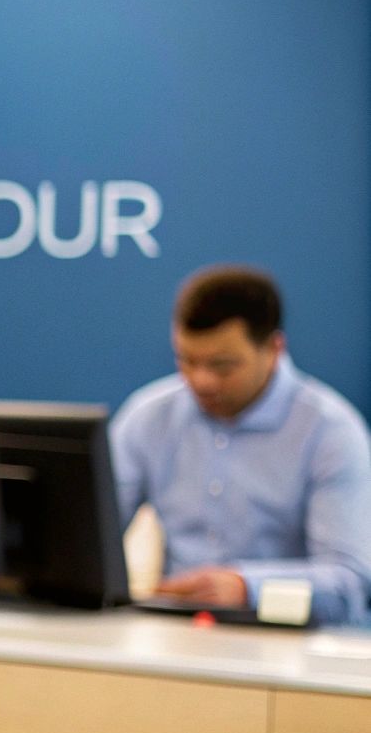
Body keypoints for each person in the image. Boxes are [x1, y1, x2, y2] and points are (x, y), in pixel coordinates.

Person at [112, 265, 371, 626]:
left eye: (222, 366)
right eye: (186, 360)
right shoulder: (149, 415)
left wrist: (245, 586)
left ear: (274, 349)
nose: (200, 381)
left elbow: (351, 584)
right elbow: (92, 535)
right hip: (175, 637)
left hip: (293, 650)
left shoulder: (331, 432)